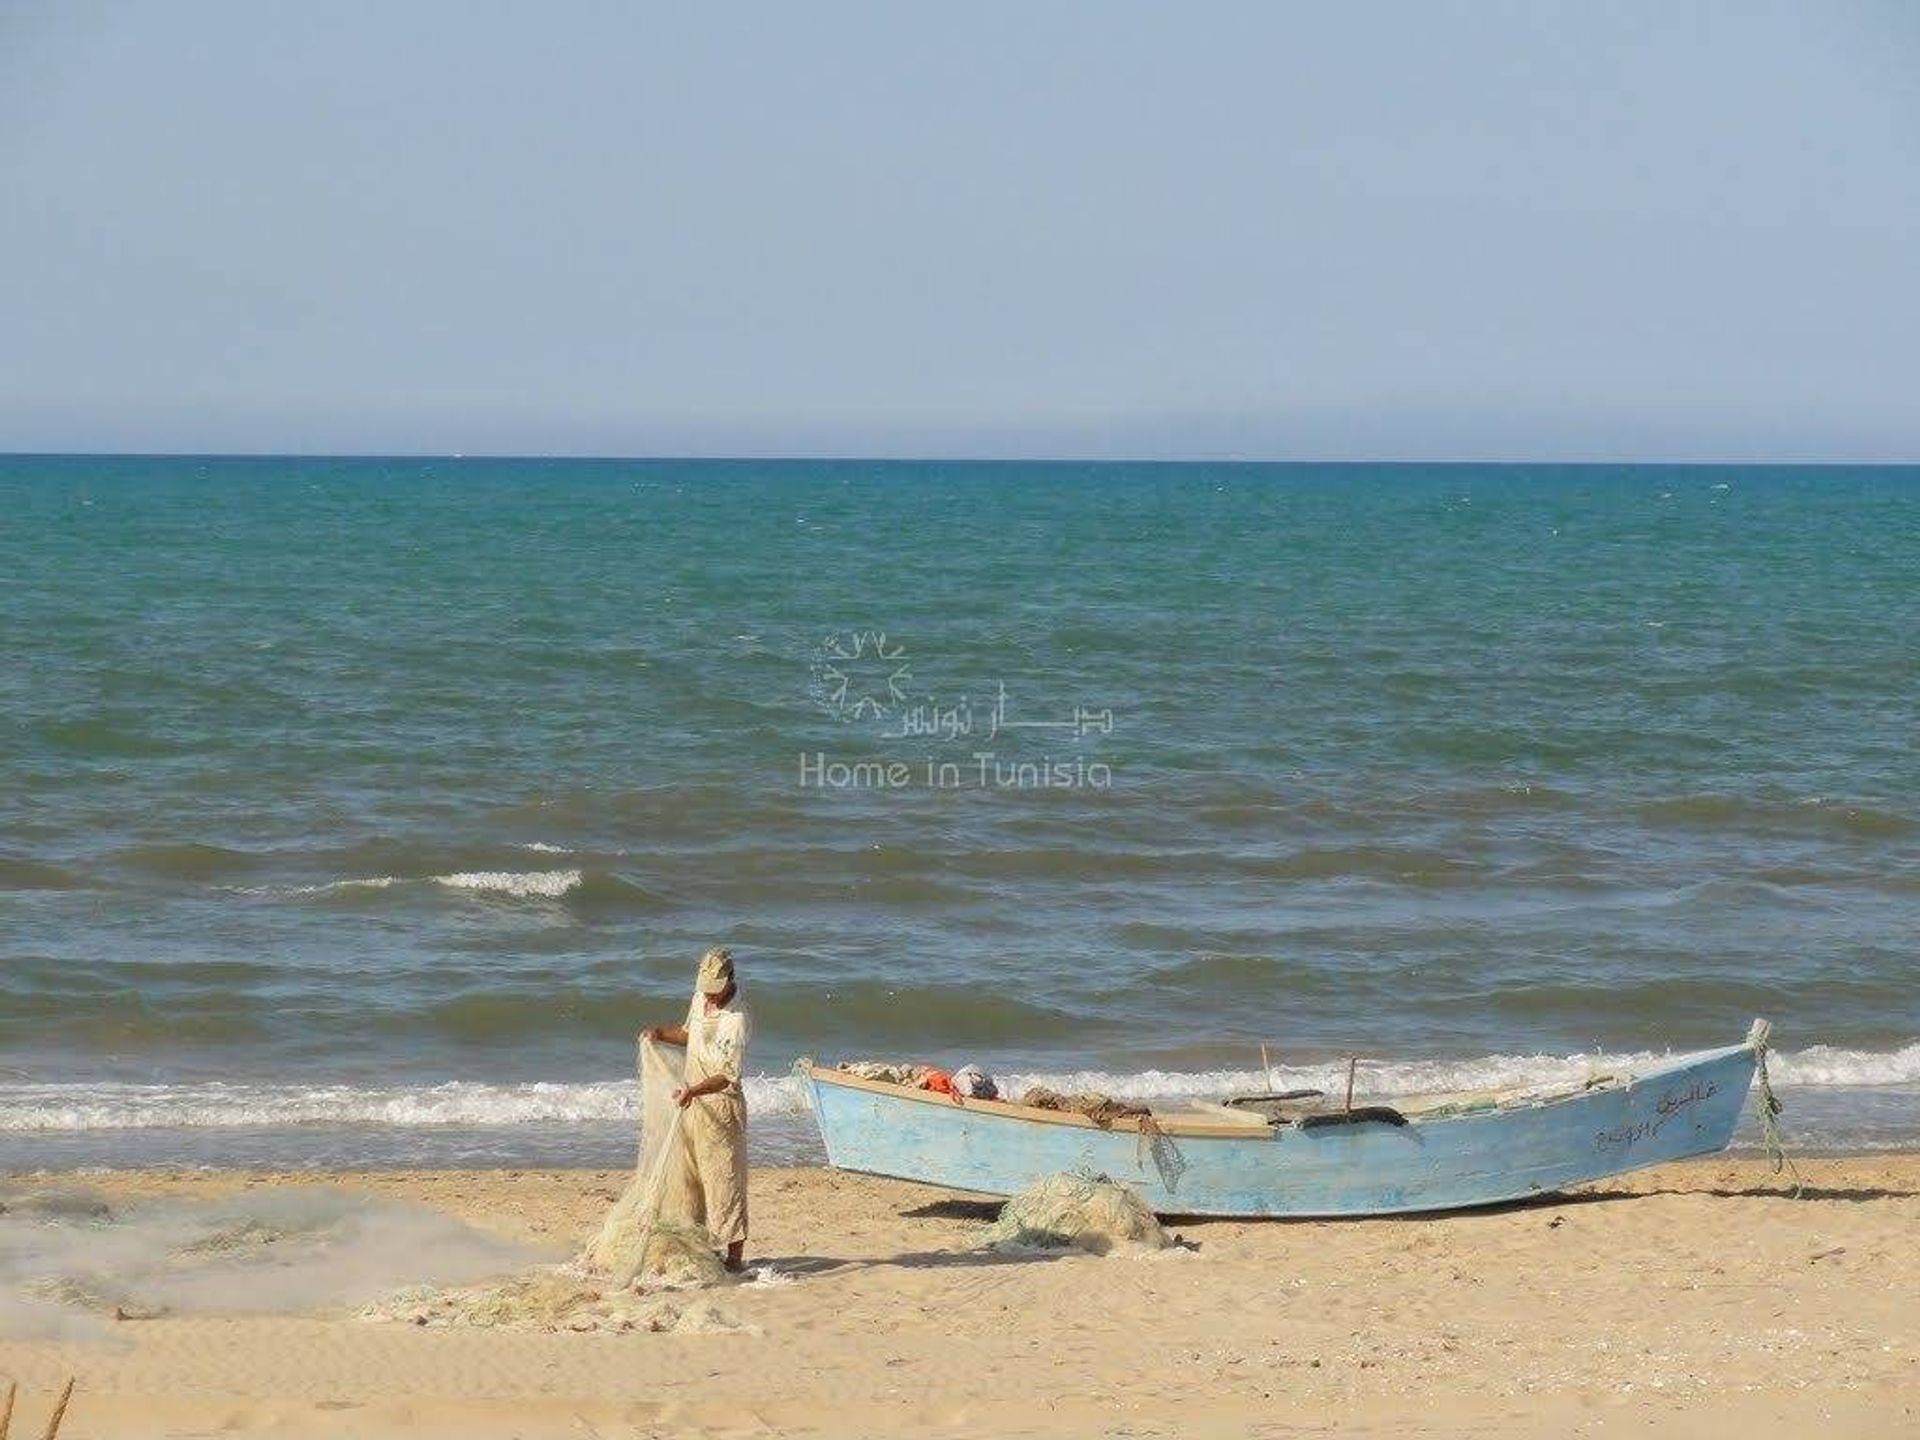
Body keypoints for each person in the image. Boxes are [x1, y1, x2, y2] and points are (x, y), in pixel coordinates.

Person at [642, 945, 750, 1271]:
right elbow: (689, 1034)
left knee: (724, 1181)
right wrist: (660, 1033)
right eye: (707, 991)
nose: (711, 997)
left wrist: (695, 1089)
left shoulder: (737, 1019)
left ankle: (734, 1259)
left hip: (720, 1107)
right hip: (692, 1105)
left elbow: (727, 1076)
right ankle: (700, 1246)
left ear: (730, 981)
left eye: (716, 992)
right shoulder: (700, 999)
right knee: (691, 1179)